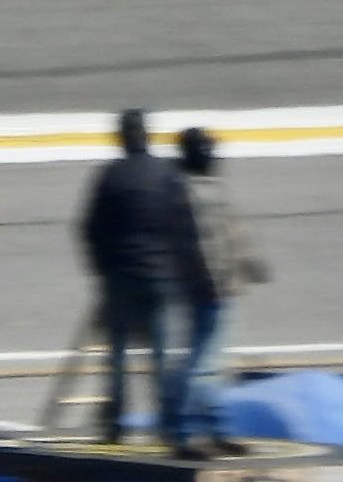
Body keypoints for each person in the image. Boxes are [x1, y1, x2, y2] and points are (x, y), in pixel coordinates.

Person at [76, 110, 204, 447]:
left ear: (121, 138)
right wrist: (184, 272)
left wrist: (102, 269)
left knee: (117, 354)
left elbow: (90, 229)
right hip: (160, 276)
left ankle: (115, 422)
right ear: (147, 136)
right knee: (160, 355)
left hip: (120, 276)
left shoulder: (110, 176)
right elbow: (185, 227)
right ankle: (168, 425)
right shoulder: (166, 174)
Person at [169, 127, 266, 458]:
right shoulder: (194, 193)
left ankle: (216, 429)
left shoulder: (207, 187)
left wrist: (249, 264)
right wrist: (213, 283)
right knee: (203, 365)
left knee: (215, 367)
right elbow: (204, 243)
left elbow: (232, 232)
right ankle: (188, 434)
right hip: (211, 290)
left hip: (221, 287)